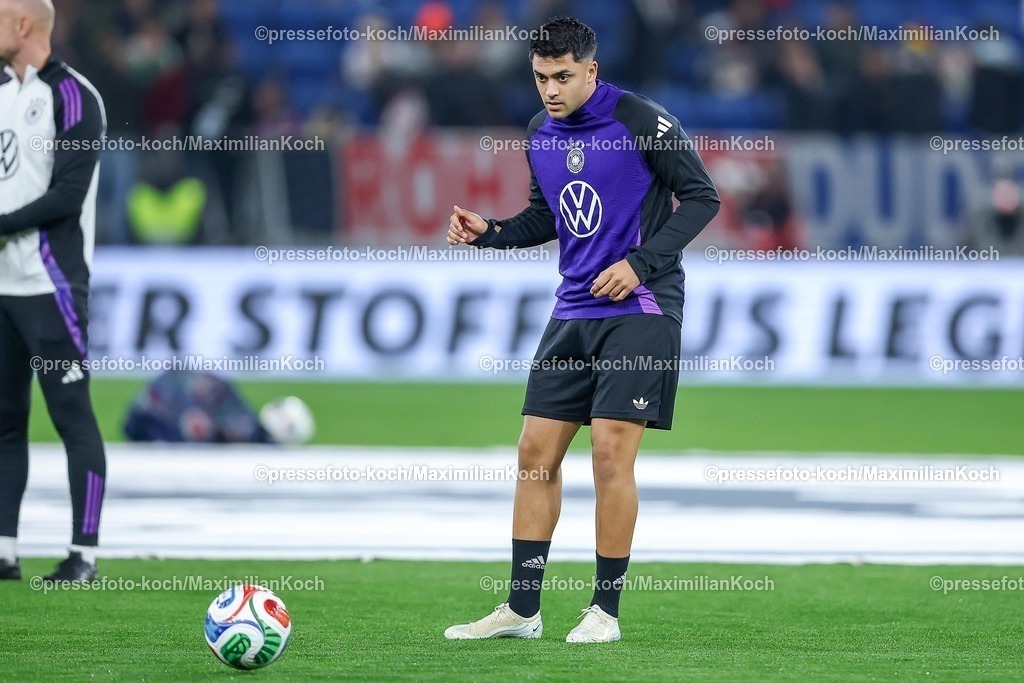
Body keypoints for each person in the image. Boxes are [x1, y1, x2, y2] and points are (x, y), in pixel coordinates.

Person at [444, 17, 719, 642]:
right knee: (534, 455)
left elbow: (703, 198)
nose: (550, 89)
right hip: (572, 309)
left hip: (641, 307)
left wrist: (640, 264)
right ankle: (521, 609)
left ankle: (605, 612)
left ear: (591, 70)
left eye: (563, 76)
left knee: (608, 453)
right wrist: (490, 233)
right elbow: (548, 218)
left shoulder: (641, 120)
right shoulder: (540, 133)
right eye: (541, 77)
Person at [0, 0, 107, 582]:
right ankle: (4, 549)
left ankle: (83, 554)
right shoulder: (0, 94)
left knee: (71, 415)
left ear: (23, 26)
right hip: (1, 286)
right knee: (4, 419)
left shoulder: (73, 97)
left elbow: (68, 196)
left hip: (50, 284)